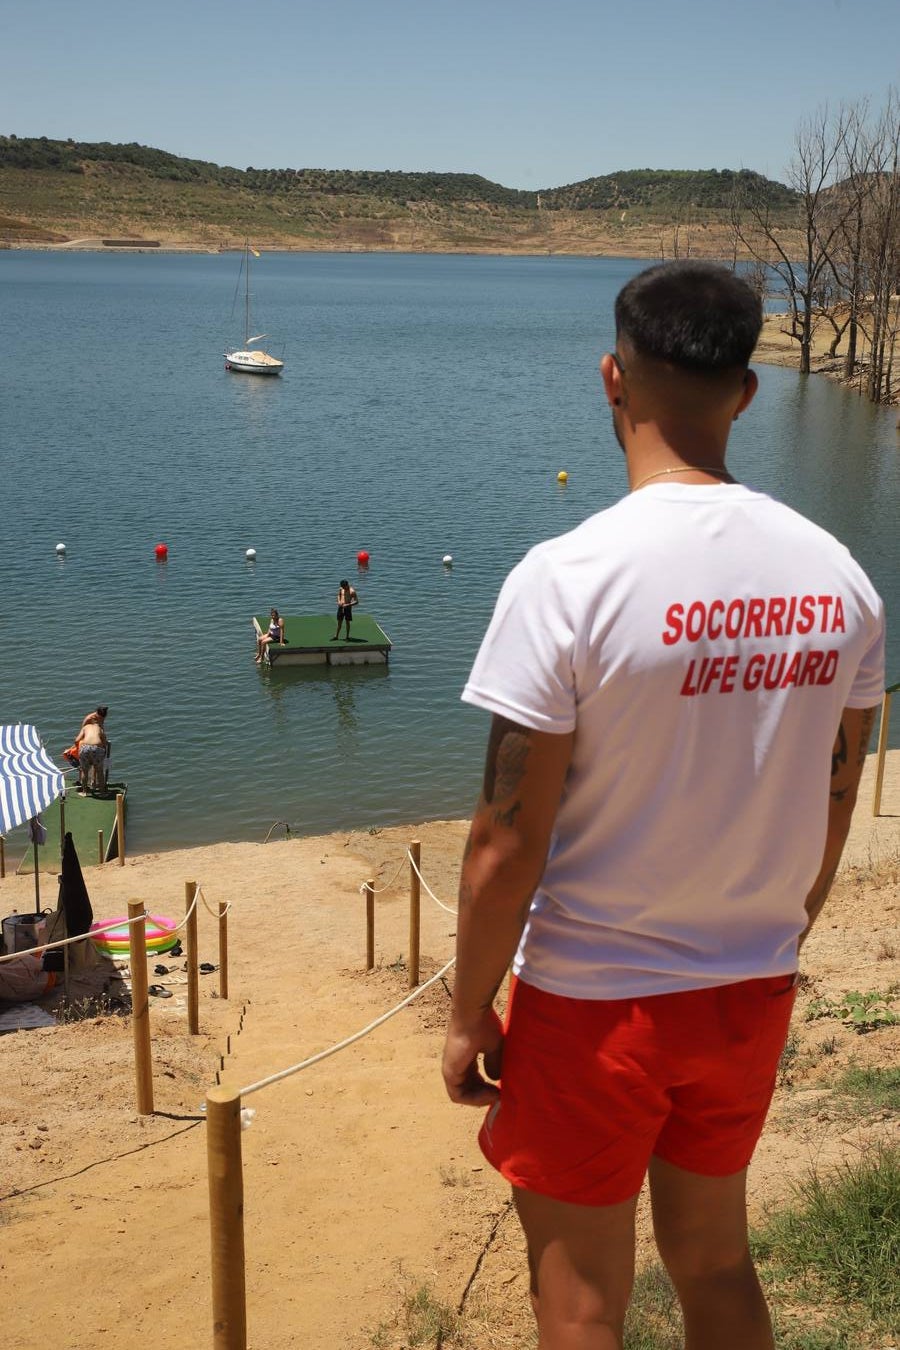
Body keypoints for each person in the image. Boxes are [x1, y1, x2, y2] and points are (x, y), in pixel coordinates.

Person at [441, 261, 885, 1350]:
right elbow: (836, 802)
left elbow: (506, 840)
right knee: (718, 1262)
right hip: (747, 989)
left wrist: (467, 1009)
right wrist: (778, 934)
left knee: (584, 1298)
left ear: (611, 379)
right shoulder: (840, 580)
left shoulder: (568, 578)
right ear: (746, 392)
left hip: (595, 1004)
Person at [77, 710, 109, 795]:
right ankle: (102, 792)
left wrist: (79, 749)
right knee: (100, 771)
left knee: (84, 771)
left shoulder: (85, 727)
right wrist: (104, 750)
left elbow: (76, 740)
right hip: (97, 748)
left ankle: (84, 792)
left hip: (85, 748)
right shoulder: (99, 728)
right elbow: (104, 742)